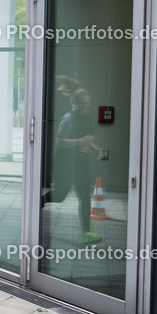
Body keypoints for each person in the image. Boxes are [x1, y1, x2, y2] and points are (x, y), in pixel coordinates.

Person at [56, 88, 102, 246]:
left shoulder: (87, 119)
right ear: (74, 102)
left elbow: (88, 140)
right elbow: (60, 142)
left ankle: (86, 233)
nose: (86, 105)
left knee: (84, 197)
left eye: (87, 102)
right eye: (82, 102)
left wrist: (97, 150)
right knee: (60, 195)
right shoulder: (68, 119)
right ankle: (38, 201)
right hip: (67, 164)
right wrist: (80, 141)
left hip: (82, 164)